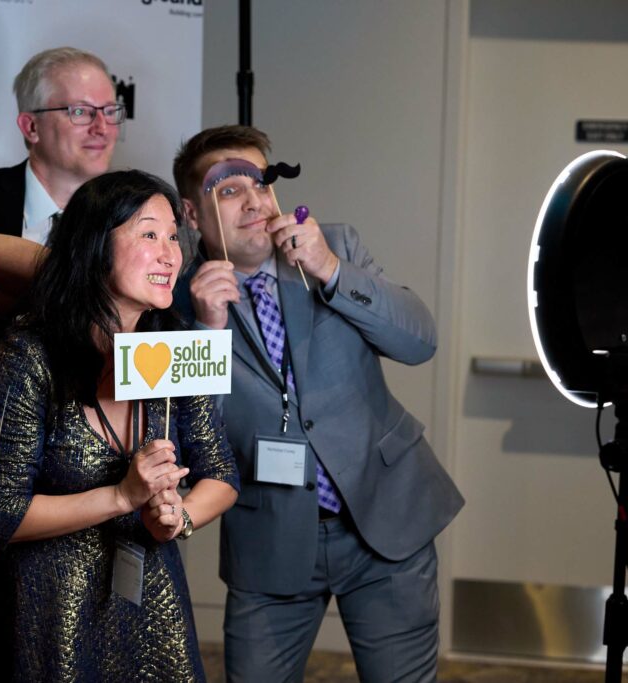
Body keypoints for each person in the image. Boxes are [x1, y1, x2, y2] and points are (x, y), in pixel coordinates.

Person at [170, 125, 464, 682]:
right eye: (229, 191)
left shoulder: (337, 247)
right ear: (191, 214)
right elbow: (191, 439)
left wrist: (331, 269)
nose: (254, 200)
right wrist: (206, 333)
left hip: (384, 520)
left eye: (261, 184)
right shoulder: (178, 300)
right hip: (270, 539)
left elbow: (419, 340)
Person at [0, 170, 240, 681]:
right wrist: (122, 497)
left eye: (173, 237)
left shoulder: (173, 347)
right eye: (148, 234)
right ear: (96, 245)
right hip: (51, 611)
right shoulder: (28, 355)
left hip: (153, 602)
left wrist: (177, 518)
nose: (170, 254)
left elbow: (222, 474)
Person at [0, 47, 122, 245]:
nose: (102, 128)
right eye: (80, 112)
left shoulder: (131, 220)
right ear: (31, 127)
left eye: (109, 111)